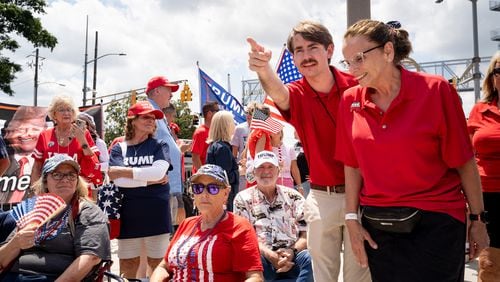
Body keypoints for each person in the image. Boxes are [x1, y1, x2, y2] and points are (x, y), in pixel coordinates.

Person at [335, 19, 489, 281]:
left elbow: (464, 161)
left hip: (437, 221)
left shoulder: (436, 90)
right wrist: (351, 219)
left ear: (388, 51)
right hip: (379, 225)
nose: (352, 69)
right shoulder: (350, 100)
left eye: (359, 58)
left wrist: (477, 219)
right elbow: (353, 164)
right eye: (347, 62)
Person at [248, 21, 370, 281]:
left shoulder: (358, 86)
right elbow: (278, 93)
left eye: (312, 47)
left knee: (358, 275)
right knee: (322, 276)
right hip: (321, 197)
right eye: (299, 50)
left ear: (329, 50)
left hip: (364, 195)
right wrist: (264, 68)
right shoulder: (297, 93)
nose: (305, 55)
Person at [0, 154, 110, 280]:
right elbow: (2, 261)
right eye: (57, 174)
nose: (65, 179)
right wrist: (15, 243)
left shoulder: (87, 211)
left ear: (77, 181)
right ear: (45, 181)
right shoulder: (31, 210)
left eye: (71, 175)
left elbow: (90, 257)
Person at [150, 164, 264, 282]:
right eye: (198, 188)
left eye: (213, 188)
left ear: (226, 193)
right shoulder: (187, 224)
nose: (204, 194)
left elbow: (255, 277)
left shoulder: (239, 227)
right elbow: (164, 267)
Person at [108, 100, 172, 279]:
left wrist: (124, 171)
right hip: (128, 215)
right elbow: (119, 182)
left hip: (156, 214)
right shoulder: (119, 147)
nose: (151, 121)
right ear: (132, 120)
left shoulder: (160, 145)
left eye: (153, 118)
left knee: (158, 264)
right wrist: (149, 181)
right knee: (128, 264)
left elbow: (159, 172)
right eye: (146, 117)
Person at [234, 151, 313, 282]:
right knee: (249, 260)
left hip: (292, 256)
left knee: (310, 259)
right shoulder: (242, 199)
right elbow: (245, 238)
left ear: (279, 170)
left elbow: (306, 234)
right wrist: (270, 255)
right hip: (262, 257)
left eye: (270, 167)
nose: (266, 171)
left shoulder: (294, 197)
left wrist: (291, 251)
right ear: (254, 172)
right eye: (261, 167)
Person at [31, 95, 102, 188]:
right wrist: (36, 190)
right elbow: (37, 167)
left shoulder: (83, 133)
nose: (66, 113)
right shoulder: (44, 135)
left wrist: (82, 140)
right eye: (62, 110)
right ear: (54, 114)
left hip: (77, 189)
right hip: (50, 190)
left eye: (69, 110)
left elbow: (93, 164)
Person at [468, 51, 500, 248]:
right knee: (490, 264)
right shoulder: (479, 111)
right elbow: (466, 158)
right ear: (492, 77)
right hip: (487, 198)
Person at [1, 106, 47, 203]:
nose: (27, 134)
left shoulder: (48, 163)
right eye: (20, 129)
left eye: (34, 129)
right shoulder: (5, 162)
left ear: (45, 130)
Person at [206, 110, 239, 211]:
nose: (234, 124)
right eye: (232, 122)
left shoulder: (215, 146)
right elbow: (225, 177)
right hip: (225, 199)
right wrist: (239, 171)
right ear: (226, 125)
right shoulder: (222, 148)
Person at [231, 102, 256, 191]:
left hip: (257, 168)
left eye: (251, 112)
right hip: (243, 170)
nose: (248, 115)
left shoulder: (260, 129)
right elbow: (234, 153)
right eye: (247, 112)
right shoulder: (239, 128)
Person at [191, 101, 219, 171]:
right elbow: (195, 158)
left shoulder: (214, 131)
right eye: (217, 111)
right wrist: (203, 175)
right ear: (209, 113)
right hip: (204, 179)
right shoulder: (201, 132)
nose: (219, 114)